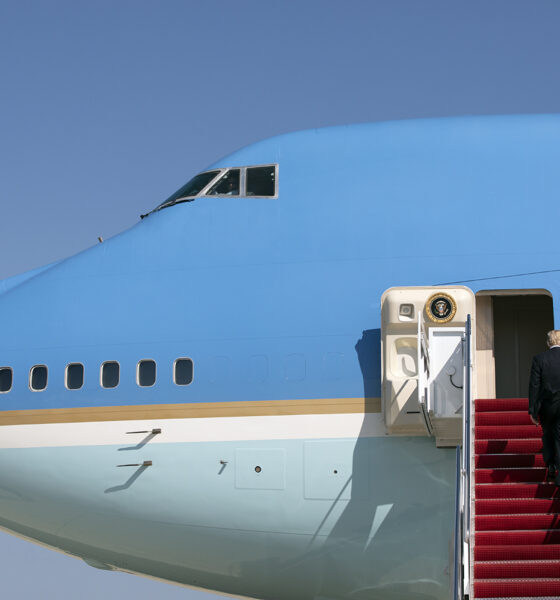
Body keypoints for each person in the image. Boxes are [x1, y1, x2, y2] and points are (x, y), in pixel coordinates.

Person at [528, 330, 560, 484]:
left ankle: (551, 464)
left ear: (549, 343)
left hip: (547, 405)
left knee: (547, 435)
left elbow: (534, 386)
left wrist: (532, 410)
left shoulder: (539, 359)